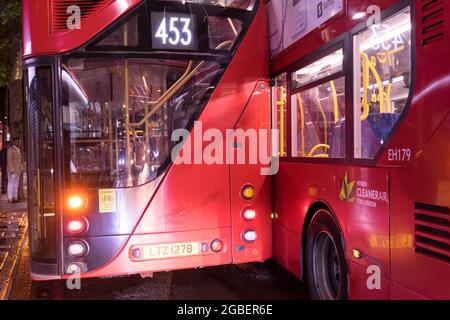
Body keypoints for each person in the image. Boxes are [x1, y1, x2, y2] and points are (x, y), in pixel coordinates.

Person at [7, 138, 23, 203]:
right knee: (11, 183)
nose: (19, 143)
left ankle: (15, 197)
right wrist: (12, 170)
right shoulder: (10, 150)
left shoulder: (18, 150)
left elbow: (20, 161)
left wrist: (20, 168)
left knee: (16, 184)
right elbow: (9, 161)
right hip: (12, 170)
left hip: (18, 170)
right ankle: (10, 198)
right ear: (14, 142)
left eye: (19, 142)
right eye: (17, 142)